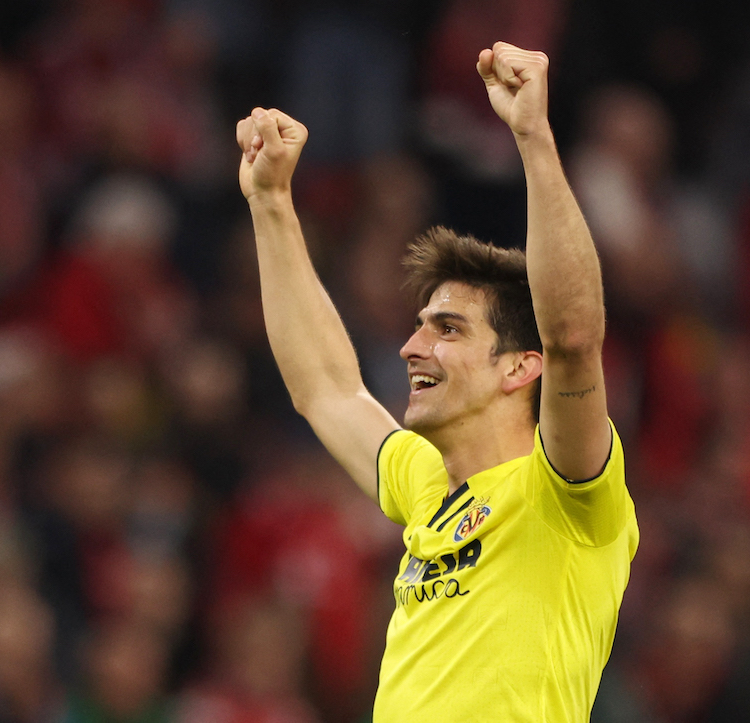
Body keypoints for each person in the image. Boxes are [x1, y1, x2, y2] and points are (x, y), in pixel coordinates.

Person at [235, 42, 639, 721]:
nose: (411, 346)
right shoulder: (426, 484)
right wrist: (272, 202)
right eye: (421, 325)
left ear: (519, 366)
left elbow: (571, 338)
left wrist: (532, 136)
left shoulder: (565, 491)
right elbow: (326, 388)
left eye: (447, 329)